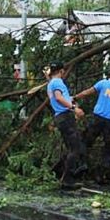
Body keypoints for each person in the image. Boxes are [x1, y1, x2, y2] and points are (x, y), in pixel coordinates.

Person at [75, 67, 110, 184]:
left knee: (84, 141)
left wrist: (75, 97)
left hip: (97, 119)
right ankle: (100, 173)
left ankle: (82, 164)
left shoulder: (104, 83)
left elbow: (87, 92)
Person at [46, 61, 86, 190]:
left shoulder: (51, 83)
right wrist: (74, 108)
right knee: (75, 148)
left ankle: (64, 174)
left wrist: (70, 99)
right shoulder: (57, 82)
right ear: (61, 71)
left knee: (71, 148)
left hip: (60, 117)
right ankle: (67, 180)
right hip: (65, 116)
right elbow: (58, 97)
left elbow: (61, 97)